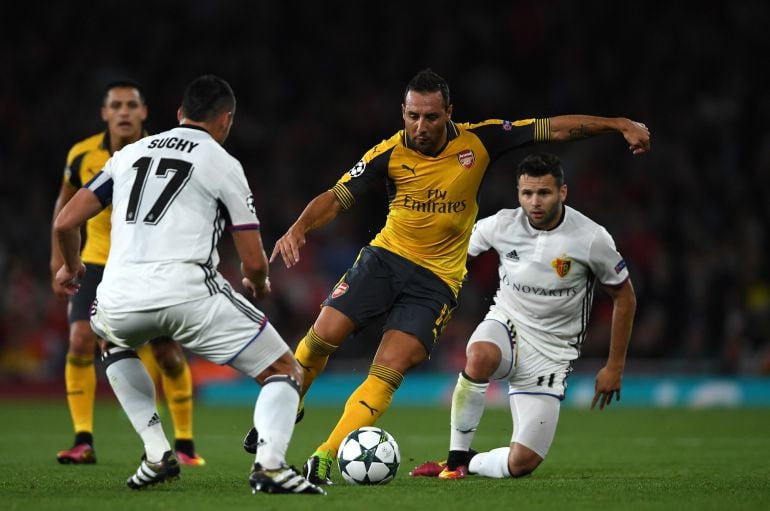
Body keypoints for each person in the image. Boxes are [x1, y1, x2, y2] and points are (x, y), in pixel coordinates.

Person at [261, 68, 649, 485]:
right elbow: (338, 197)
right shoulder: (388, 152)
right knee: (323, 334)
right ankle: (287, 402)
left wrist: (617, 125)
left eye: (431, 117)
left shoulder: (478, 140)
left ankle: (324, 453)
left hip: (436, 282)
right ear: (403, 112)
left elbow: (551, 129)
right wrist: (299, 227)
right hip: (385, 259)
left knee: (388, 367)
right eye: (412, 116)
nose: (420, 126)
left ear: (449, 113)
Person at [52, 75, 325, 495]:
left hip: (119, 293)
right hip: (189, 291)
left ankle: (156, 452)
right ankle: (269, 466)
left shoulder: (129, 155)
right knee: (285, 370)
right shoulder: (222, 162)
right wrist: (258, 282)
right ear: (226, 121)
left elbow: (65, 220)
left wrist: (71, 266)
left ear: (178, 114)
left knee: (109, 340)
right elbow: (252, 259)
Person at [409, 152, 637, 479]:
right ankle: (455, 461)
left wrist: (615, 366)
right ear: (518, 193)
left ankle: (469, 463)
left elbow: (624, 296)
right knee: (480, 355)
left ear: (563, 192)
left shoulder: (591, 238)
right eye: (527, 193)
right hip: (508, 324)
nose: (534, 202)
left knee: (522, 464)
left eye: (544, 193)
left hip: (552, 352)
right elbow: (451, 252)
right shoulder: (503, 224)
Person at [49, 80, 204, 466]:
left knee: (166, 351)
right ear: (104, 113)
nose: (123, 112)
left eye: (131, 105)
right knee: (81, 340)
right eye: (115, 105)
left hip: (147, 260)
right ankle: (82, 439)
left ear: (144, 112)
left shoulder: (164, 151)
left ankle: (184, 446)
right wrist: (60, 260)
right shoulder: (81, 155)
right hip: (97, 260)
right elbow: (64, 206)